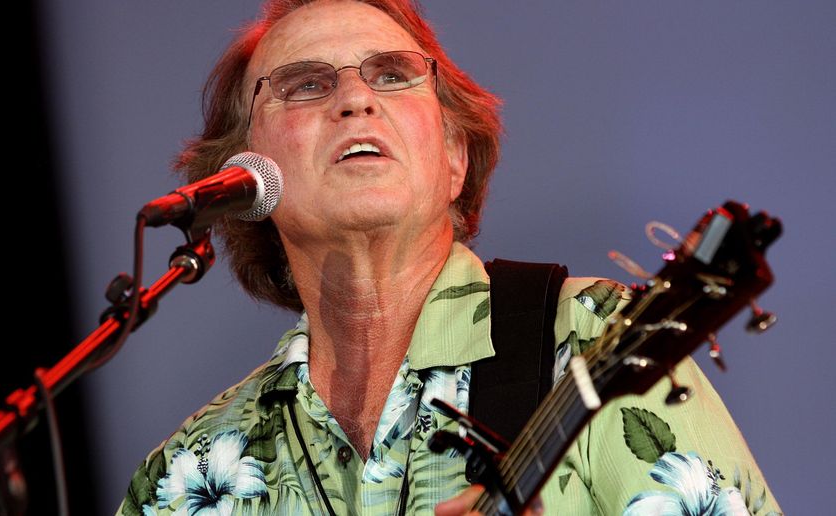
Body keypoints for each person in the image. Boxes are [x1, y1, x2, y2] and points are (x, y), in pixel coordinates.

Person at [119, 1, 781, 514]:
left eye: (391, 74)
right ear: (243, 179)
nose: (355, 99)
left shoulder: (590, 334)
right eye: (307, 85)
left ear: (454, 158)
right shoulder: (184, 475)